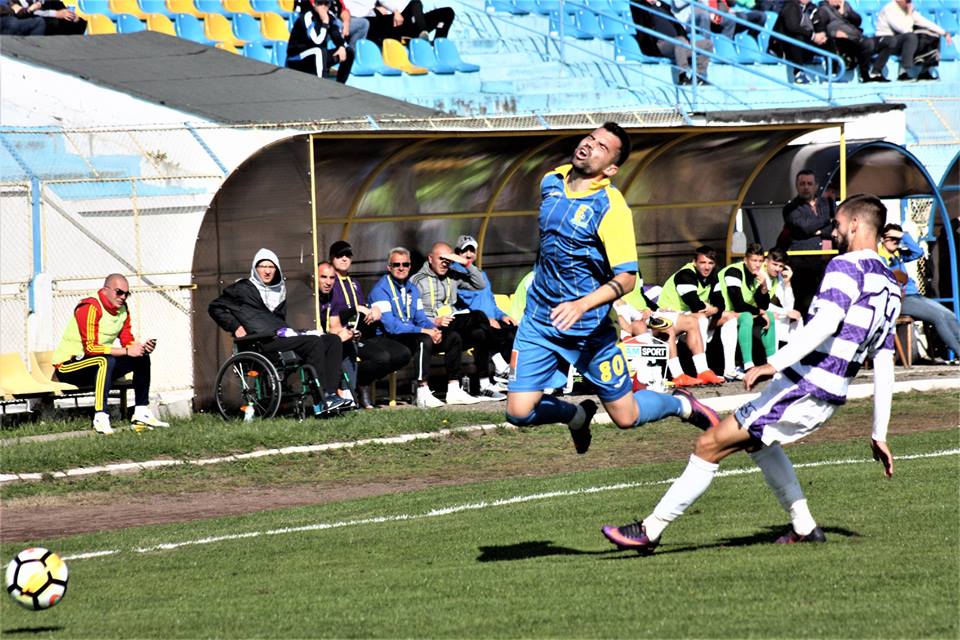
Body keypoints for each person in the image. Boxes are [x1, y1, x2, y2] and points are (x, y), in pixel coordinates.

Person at [601, 194, 901, 553]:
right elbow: (884, 361)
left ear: (854, 224)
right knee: (759, 444)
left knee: (708, 445)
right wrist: (879, 432)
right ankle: (804, 527)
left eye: (836, 224)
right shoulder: (890, 284)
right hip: (826, 393)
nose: (833, 232)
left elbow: (826, 321)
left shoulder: (846, 266)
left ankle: (649, 531)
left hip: (803, 386)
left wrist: (772, 362)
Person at [505, 123, 720, 456]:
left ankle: (681, 405)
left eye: (603, 147)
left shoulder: (611, 208)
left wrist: (581, 304)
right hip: (540, 322)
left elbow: (627, 279)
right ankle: (577, 415)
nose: (590, 145)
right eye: (590, 138)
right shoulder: (552, 181)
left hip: (588, 331)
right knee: (518, 412)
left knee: (626, 416)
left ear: (611, 168)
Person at [208, 248, 351, 416]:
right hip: (260, 342)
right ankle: (321, 399)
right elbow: (215, 307)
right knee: (313, 342)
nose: (267, 271)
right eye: (263, 266)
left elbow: (277, 321)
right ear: (255, 268)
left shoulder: (279, 290)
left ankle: (331, 394)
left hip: (279, 337)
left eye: (271, 267)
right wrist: (235, 326)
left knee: (332, 340)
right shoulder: (243, 288)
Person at [51, 274, 168, 435]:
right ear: (106, 290)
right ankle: (100, 417)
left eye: (127, 294)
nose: (123, 297)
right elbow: (90, 348)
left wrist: (140, 348)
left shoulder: (123, 309)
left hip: (99, 364)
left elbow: (127, 340)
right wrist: (127, 351)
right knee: (104, 361)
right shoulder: (90, 307)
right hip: (68, 366)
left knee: (141, 357)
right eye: (119, 292)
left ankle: (141, 412)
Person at [412, 241, 505, 402]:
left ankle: (480, 385)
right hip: (432, 327)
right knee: (477, 316)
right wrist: (434, 321)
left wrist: (466, 263)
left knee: (479, 333)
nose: (444, 263)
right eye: (441, 258)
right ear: (430, 258)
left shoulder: (452, 275)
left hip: (451, 324)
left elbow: (479, 284)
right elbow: (412, 313)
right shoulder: (418, 280)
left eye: (448, 259)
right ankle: (499, 362)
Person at [320, 249, 411, 407]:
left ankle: (361, 381)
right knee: (380, 357)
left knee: (403, 354)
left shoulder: (354, 283)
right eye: (339, 255)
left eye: (347, 255)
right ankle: (355, 387)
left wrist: (373, 309)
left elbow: (364, 307)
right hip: (344, 338)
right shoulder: (330, 288)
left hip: (363, 333)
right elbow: (335, 320)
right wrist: (355, 310)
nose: (344, 259)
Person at [614, 281, 725, 388]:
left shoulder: (628, 286)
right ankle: (676, 374)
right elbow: (621, 320)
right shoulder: (606, 296)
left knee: (691, 322)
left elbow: (639, 308)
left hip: (644, 318)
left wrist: (651, 310)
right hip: (626, 331)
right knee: (647, 326)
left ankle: (703, 371)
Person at [879, 224, 960, 361]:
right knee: (938, 317)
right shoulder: (881, 257)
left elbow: (918, 252)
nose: (895, 242)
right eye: (891, 238)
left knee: (949, 315)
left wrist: (903, 235)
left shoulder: (898, 255)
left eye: (897, 239)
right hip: (900, 299)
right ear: (882, 239)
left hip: (914, 296)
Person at [654, 245, 727, 386]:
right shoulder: (685, 275)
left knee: (727, 318)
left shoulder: (713, 275)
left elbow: (720, 303)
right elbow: (695, 304)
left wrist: (712, 309)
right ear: (694, 262)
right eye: (703, 262)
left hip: (685, 316)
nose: (707, 267)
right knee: (698, 319)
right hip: (665, 315)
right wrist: (711, 308)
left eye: (710, 263)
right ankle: (679, 375)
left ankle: (704, 371)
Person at [452, 234, 514, 385]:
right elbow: (467, 306)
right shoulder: (454, 275)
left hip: (492, 320)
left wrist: (502, 315)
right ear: (457, 253)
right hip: (476, 323)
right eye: (464, 251)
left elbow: (491, 302)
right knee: (483, 334)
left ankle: (508, 376)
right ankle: (493, 377)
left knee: (514, 331)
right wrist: (487, 320)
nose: (468, 254)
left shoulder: (481, 275)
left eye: (471, 251)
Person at [779, 169, 836, 315]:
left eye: (809, 183)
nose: (806, 187)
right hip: (804, 265)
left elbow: (837, 225)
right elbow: (804, 228)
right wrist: (827, 220)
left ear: (816, 186)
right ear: (797, 186)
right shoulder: (791, 208)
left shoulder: (827, 203)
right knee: (805, 306)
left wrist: (819, 230)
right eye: (802, 184)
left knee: (829, 304)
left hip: (828, 264)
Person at [716, 243, 772, 380]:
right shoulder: (734, 272)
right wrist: (760, 312)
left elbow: (764, 306)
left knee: (769, 315)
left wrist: (764, 287)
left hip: (735, 313)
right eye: (754, 260)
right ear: (745, 260)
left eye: (760, 261)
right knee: (747, 316)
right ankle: (748, 365)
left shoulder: (757, 276)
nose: (757, 265)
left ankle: (772, 363)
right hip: (719, 313)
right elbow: (738, 303)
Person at [631, 0, 713, 85]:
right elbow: (637, 7)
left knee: (707, 44)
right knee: (679, 41)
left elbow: (678, 26)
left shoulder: (663, 7)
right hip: (660, 44)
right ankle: (683, 76)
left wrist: (686, 40)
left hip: (680, 44)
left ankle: (698, 77)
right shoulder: (640, 7)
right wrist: (648, 2)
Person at [872, 0, 951, 81]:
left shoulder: (906, 8)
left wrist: (944, 33)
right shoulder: (889, 9)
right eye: (907, 1)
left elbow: (924, 22)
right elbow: (905, 29)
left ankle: (924, 71)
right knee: (911, 37)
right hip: (886, 42)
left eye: (910, 1)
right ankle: (904, 72)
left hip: (900, 41)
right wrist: (909, 13)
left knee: (932, 35)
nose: (909, 3)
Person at [286, 0, 354, 84]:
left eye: (326, 3)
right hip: (297, 59)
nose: (323, 6)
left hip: (316, 57)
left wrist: (341, 46)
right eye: (320, 3)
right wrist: (325, 23)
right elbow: (317, 41)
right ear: (314, 4)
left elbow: (336, 35)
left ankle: (340, 85)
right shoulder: (307, 16)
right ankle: (322, 85)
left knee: (348, 51)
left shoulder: (330, 16)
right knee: (319, 51)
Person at [817, 0, 880, 82]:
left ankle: (864, 73)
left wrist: (846, 13)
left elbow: (858, 21)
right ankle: (835, 72)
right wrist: (834, 33)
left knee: (869, 43)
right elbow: (821, 28)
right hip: (838, 39)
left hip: (854, 35)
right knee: (855, 43)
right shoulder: (823, 9)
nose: (839, 1)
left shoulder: (845, 6)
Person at [769, 0, 829, 84]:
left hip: (801, 47)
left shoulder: (811, 8)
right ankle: (798, 74)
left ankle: (833, 73)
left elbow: (818, 24)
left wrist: (822, 34)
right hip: (783, 45)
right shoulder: (790, 5)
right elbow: (793, 27)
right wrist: (813, 36)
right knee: (798, 37)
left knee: (828, 39)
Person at [762, 247, 804, 346]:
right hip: (757, 312)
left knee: (798, 318)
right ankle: (773, 357)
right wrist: (786, 312)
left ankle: (795, 357)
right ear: (766, 261)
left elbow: (788, 306)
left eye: (781, 266)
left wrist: (787, 283)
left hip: (772, 313)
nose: (777, 269)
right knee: (776, 318)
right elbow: (761, 304)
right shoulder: (760, 275)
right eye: (774, 264)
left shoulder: (779, 277)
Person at [365, 0, 454, 45]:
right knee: (415, 2)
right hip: (396, 28)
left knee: (447, 12)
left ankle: (438, 43)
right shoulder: (373, 9)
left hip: (413, 23)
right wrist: (394, 12)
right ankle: (423, 34)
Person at [5, 0, 84, 34]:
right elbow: (20, 14)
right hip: (30, 28)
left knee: (76, 23)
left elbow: (60, 9)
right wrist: (56, 13)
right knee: (46, 22)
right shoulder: (12, 2)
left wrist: (74, 17)